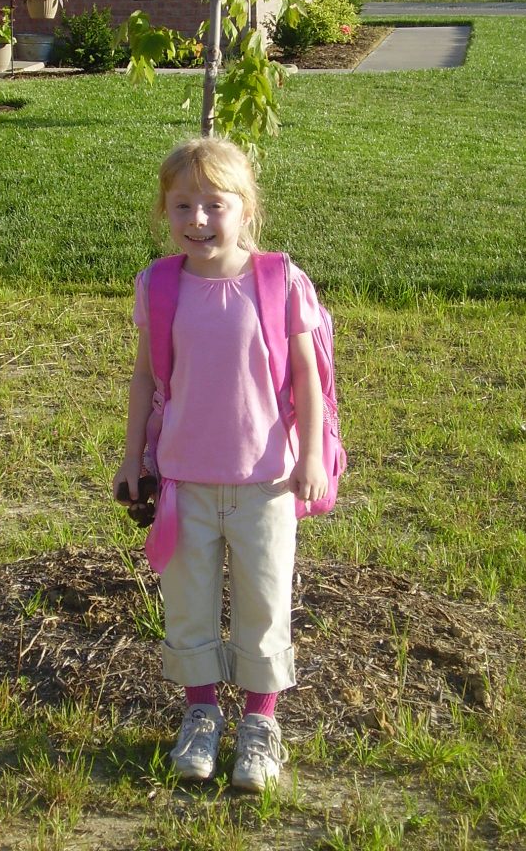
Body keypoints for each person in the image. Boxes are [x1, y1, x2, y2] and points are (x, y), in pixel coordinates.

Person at [113, 137, 328, 791]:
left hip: (265, 482)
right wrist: (131, 457)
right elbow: (146, 379)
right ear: (164, 211)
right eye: (182, 206)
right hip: (185, 482)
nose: (198, 220)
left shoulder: (278, 281)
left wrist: (311, 454)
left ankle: (260, 723)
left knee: (264, 603)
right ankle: (200, 712)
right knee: (189, 603)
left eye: (214, 205)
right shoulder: (159, 284)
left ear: (247, 209)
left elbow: (306, 378)